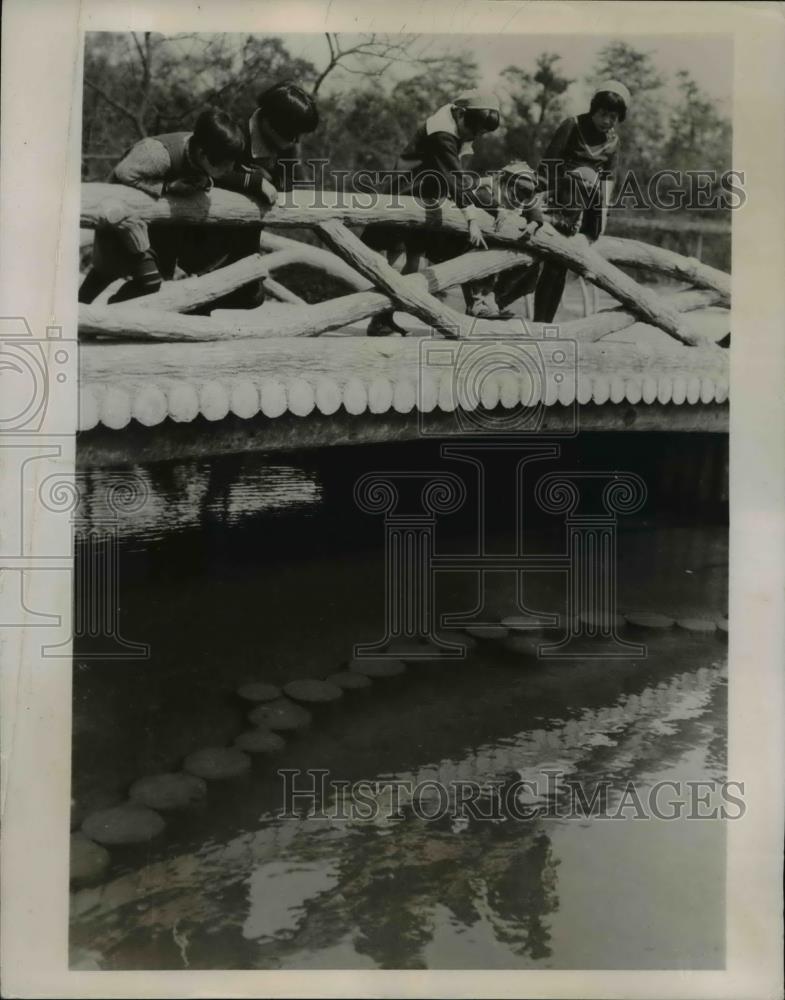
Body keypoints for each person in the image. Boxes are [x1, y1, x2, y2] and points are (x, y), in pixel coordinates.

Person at [362, 90, 503, 335]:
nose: (475, 137)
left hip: (428, 198)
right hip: (405, 193)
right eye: (474, 130)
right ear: (460, 114)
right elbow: (452, 176)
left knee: (415, 262)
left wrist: (479, 187)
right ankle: (379, 316)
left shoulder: (458, 128)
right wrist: (470, 218)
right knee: (396, 259)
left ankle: (386, 316)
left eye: (480, 134)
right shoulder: (442, 133)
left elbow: (453, 176)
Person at [78, 108, 245, 304]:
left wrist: (204, 184)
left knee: (151, 282)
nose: (229, 170)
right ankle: (78, 314)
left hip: (155, 226)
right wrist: (166, 187)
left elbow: (203, 176)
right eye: (224, 165)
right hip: (122, 218)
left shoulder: (202, 151)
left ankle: (109, 314)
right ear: (203, 154)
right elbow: (124, 173)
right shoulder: (157, 153)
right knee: (108, 272)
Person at [533, 79, 630, 323]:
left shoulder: (613, 141)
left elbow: (608, 180)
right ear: (593, 109)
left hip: (586, 205)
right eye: (603, 114)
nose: (607, 121)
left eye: (613, 117)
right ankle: (540, 322)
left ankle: (545, 323)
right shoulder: (572, 125)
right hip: (560, 196)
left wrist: (602, 217)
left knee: (559, 265)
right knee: (552, 265)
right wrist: (540, 198)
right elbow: (548, 167)